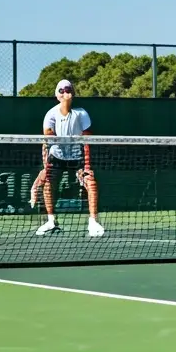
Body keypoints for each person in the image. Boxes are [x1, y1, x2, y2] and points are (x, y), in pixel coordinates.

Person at [32, 79, 105, 237]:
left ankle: (93, 222)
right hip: (57, 157)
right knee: (48, 185)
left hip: (77, 157)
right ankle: (51, 221)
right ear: (57, 95)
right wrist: (46, 167)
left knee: (91, 183)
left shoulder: (81, 113)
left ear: (73, 93)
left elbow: (87, 141)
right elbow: (47, 141)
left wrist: (86, 167)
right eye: (61, 90)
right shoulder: (51, 114)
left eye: (68, 89)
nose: (65, 93)